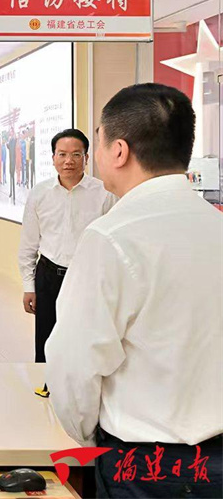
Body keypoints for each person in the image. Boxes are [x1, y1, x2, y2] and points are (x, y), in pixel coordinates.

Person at [47, 84, 222, 498]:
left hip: (144, 464)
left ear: (119, 151)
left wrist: (90, 440)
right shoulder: (216, 225)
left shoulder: (111, 237)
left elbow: (74, 367)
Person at [18, 128, 116, 397]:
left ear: (87, 158)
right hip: (48, 273)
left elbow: (111, 240)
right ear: (53, 158)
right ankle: (47, 386)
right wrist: (29, 286)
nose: (68, 161)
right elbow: (28, 244)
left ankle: (82, 391)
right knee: (47, 334)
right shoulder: (40, 193)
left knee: (85, 334)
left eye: (76, 154)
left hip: (86, 276)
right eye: (62, 154)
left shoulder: (104, 193)